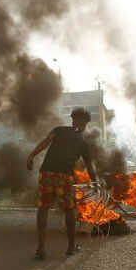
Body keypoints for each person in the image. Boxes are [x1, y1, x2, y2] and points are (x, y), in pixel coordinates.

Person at [26, 108, 97, 257]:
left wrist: (31, 155)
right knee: (69, 209)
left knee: (43, 207)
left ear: (73, 121)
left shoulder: (59, 130)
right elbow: (90, 167)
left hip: (47, 173)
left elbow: (46, 142)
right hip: (65, 176)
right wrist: (95, 182)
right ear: (85, 124)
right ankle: (71, 247)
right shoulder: (83, 142)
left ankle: (41, 249)